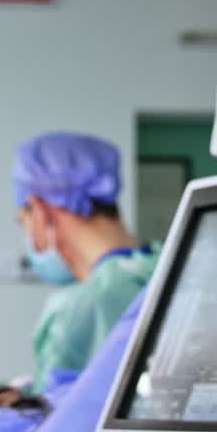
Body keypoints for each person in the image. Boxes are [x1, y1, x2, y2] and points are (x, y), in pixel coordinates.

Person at [13, 132, 161, 391]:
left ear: (40, 210)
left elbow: (59, 425)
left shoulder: (81, 309)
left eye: (22, 221)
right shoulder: (167, 263)